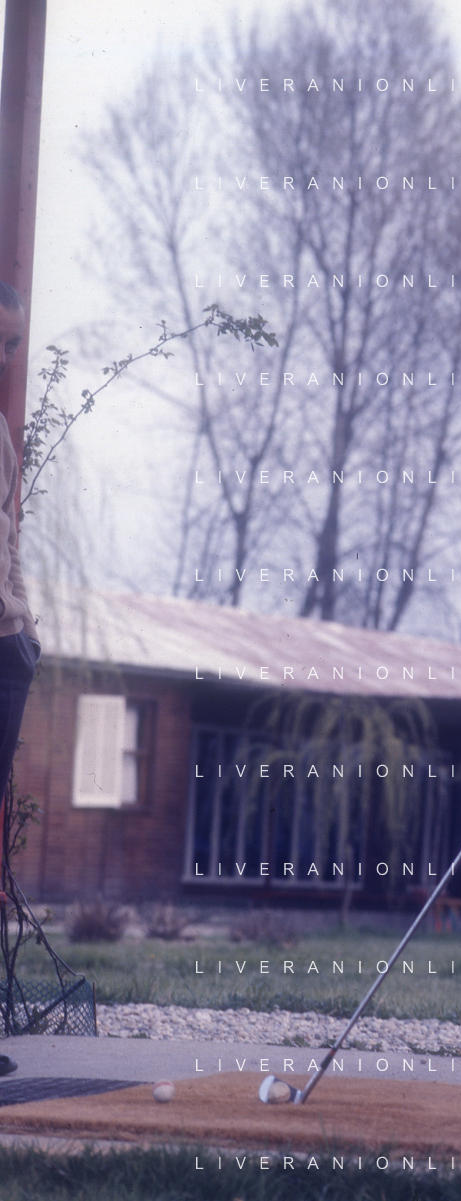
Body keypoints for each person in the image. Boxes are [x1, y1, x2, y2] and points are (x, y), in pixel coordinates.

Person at [0, 282, 40, 1079]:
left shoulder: (1, 435)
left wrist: (27, 624)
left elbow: (9, 533)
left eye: (9, 344)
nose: (3, 355)